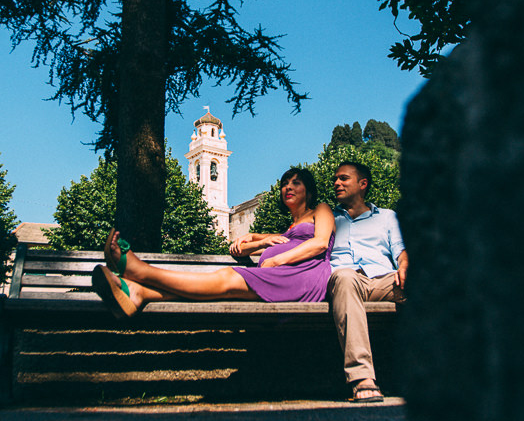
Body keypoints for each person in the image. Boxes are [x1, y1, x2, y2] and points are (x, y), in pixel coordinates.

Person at [92, 167, 335, 318]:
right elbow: (247, 246)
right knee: (221, 288)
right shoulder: (288, 230)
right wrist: (255, 238)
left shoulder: (320, 210)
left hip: (303, 275)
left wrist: (276, 259)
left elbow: (320, 243)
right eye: (284, 184)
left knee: (227, 278)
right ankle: (138, 292)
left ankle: (140, 271)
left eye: (295, 183)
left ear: (309, 191)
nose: (287, 187)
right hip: (281, 275)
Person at [328, 162, 408, 403]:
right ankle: (362, 379)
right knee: (344, 276)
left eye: (344, 178)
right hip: (346, 282)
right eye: (335, 179)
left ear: (362, 184)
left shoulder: (386, 217)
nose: (336, 183)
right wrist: (257, 239)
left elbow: (400, 250)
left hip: (383, 280)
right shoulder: (328, 217)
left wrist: (405, 266)